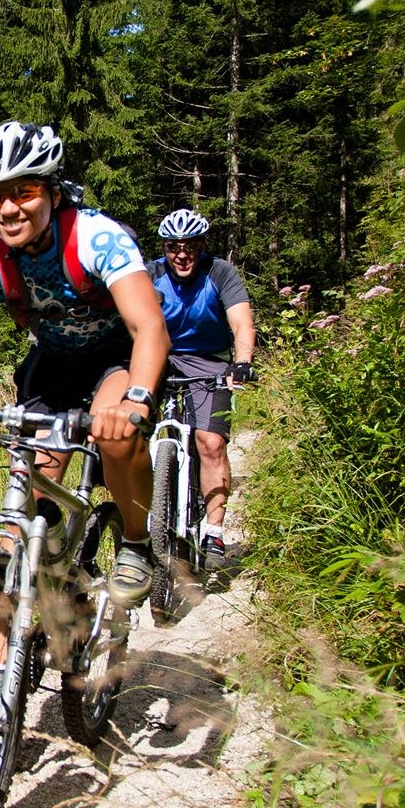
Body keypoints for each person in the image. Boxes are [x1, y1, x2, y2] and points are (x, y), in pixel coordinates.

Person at [0, 121, 170, 626]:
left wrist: (135, 399)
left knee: (115, 435)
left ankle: (135, 540)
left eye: (23, 192)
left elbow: (149, 325)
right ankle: (6, 674)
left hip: (116, 357)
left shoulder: (97, 236)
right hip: (52, 364)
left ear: (51, 189)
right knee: (20, 520)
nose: (7, 209)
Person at [146, 208, 255, 565]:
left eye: (189, 246)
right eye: (173, 246)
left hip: (209, 360)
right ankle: (139, 523)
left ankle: (214, 533)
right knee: (127, 430)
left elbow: (241, 323)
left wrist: (242, 363)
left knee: (210, 442)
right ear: (165, 248)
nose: (181, 254)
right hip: (158, 355)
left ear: (201, 246)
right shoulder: (151, 273)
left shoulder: (219, 272)